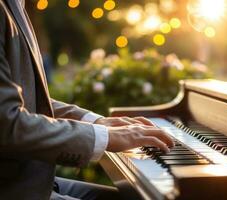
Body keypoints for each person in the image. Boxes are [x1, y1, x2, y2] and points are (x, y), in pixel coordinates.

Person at [0, 0, 174, 199]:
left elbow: (28, 101)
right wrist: (105, 137)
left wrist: (97, 122)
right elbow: (7, 125)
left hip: (33, 180)